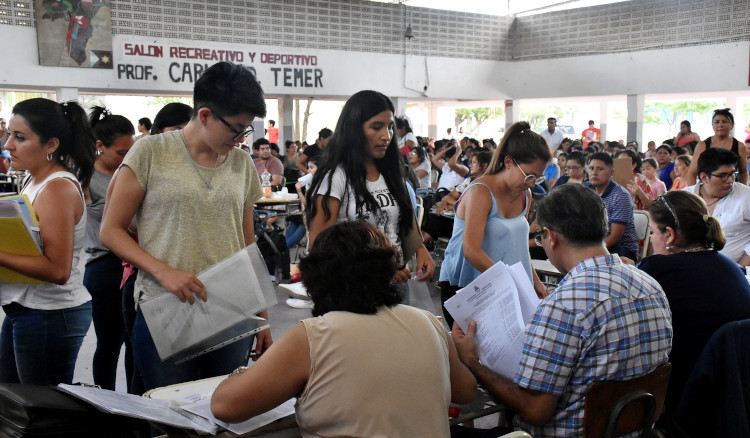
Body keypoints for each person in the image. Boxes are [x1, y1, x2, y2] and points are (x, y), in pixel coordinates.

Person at [100, 61, 273, 391]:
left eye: (246, 130)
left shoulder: (241, 163)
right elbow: (111, 229)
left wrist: (261, 316)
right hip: (164, 309)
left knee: (222, 410)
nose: (240, 139)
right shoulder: (151, 152)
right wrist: (164, 271)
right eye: (236, 128)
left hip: (231, 310)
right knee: (169, 413)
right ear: (205, 115)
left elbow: (247, 246)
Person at [211, 221, 476, 436]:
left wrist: (241, 373)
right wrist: (462, 355)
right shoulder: (427, 321)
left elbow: (225, 406)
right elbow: (465, 391)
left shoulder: (313, 337)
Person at [451, 183, 672, 437]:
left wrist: (472, 362)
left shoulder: (565, 304)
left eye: (540, 238)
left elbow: (535, 410)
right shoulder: (651, 286)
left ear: (552, 236)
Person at [0, 98, 95, 385]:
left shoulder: (57, 188)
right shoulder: (34, 179)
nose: (8, 145)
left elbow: (57, 270)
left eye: (20, 137)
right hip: (26, 309)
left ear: (51, 145)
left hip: (49, 315)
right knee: (15, 403)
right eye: (8, 135)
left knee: (42, 414)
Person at [637, 190, 750, 429]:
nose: (652, 240)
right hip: (733, 395)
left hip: (686, 395)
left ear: (669, 235)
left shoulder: (658, 269)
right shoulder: (732, 268)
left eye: (653, 232)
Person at [306, 90, 434, 285]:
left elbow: (399, 223)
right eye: (376, 127)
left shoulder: (391, 174)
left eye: (390, 127)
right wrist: (379, 270)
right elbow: (320, 246)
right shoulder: (336, 177)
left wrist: (420, 249)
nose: (387, 136)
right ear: (354, 129)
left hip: (395, 288)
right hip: (353, 292)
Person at [439, 121, 550, 326]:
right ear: (509, 162)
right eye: (529, 175)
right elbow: (471, 250)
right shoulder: (480, 191)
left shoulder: (525, 193)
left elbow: (517, 248)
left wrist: (533, 280)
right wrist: (510, 282)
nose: (533, 183)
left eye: (539, 177)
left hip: (502, 284)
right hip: (469, 287)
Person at [83, 106, 135, 391]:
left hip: (132, 264)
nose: (126, 158)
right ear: (99, 147)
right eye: (121, 153)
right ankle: (106, 407)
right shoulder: (85, 179)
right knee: (109, 344)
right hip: (104, 268)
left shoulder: (129, 173)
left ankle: (134, 407)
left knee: (134, 343)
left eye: (131, 151)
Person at [685, 148, 750, 267]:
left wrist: (742, 267)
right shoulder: (685, 198)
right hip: (689, 268)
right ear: (704, 177)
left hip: (733, 272)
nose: (730, 180)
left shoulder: (746, 196)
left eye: (732, 174)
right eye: (723, 176)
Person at [584, 152, 639, 260]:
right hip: (593, 243)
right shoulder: (585, 190)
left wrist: (589, 253)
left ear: (611, 172)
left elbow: (615, 237)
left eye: (600, 169)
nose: (594, 172)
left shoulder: (621, 195)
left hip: (621, 250)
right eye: (591, 168)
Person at [687, 108, 748, 185]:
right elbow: (692, 173)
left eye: (725, 122)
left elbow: (743, 172)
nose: (720, 125)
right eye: (717, 122)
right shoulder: (702, 145)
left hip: (730, 188)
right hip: (707, 190)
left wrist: (744, 190)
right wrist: (694, 195)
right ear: (712, 125)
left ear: (732, 125)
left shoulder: (740, 146)